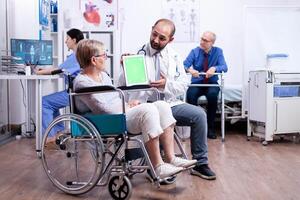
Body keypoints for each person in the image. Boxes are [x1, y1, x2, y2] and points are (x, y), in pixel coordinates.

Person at [73, 39, 197, 179]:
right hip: (105, 122)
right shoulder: (82, 82)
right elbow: (102, 109)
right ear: (94, 60)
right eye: (104, 55)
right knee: (147, 110)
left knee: (162, 106)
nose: (106, 58)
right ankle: (158, 166)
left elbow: (114, 99)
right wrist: (127, 106)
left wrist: (129, 103)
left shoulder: (103, 76)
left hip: (117, 115)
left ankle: (171, 157)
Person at [118, 19, 216, 180]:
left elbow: (184, 84)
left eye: (162, 38)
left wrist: (166, 85)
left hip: (170, 104)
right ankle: (157, 164)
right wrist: (124, 68)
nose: (156, 40)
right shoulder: (137, 55)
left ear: (170, 40)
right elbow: (123, 85)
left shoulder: (174, 57)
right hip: (146, 105)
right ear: (151, 29)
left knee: (199, 115)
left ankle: (200, 164)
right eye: (154, 34)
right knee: (154, 114)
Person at [34, 28, 84, 138]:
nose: (66, 41)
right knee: (51, 103)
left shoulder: (76, 55)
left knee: (44, 102)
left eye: (67, 39)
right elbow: (63, 70)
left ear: (74, 40)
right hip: (80, 92)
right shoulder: (82, 54)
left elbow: (58, 70)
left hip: (75, 94)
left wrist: (39, 72)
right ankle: (58, 132)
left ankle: (49, 137)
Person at [184, 31, 228, 139]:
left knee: (213, 96)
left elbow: (224, 67)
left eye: (205, 40)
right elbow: (185, 64)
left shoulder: (218, 52)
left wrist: (215, 68)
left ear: (212, 43)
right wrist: (190, 70)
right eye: (202, 39)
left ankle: (210, 128)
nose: (202, 42)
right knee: (191, 96)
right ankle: (195, 128)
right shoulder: (194, 51)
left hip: (211, 83)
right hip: (197, 83)